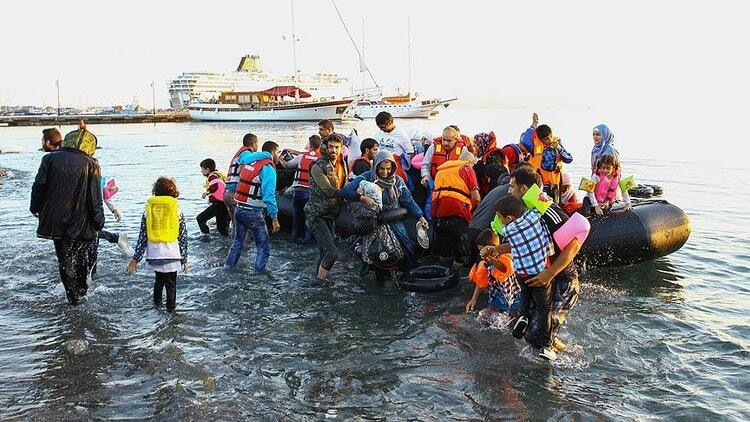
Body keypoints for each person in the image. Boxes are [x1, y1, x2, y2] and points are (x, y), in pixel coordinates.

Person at [505, 165, 582, 354]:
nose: (508, 191)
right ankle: (565, 355)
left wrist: (549, 273)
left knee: (542, 336)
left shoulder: (547, 210)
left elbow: (574, 244)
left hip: (562, 281)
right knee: (532, 331)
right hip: (544, 282)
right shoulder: (527, 213)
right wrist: (497, 249)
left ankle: (565, 369)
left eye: (511, 186)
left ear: (523, 189)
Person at [30, 127, 104, 305]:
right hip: (82, 221)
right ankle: (82, 291)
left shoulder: (48, 159)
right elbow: (95, 198)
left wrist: (35, 208)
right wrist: (99, 221)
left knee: (65, 259)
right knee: (81, 257)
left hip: (57, 219)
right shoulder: (92, 164)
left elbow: (38, 186)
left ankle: (73, 299)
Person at [342, 151, 428, 281]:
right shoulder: (366, 178)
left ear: (393, 168)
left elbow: (408, 201)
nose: (385, 172)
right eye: (381, 169)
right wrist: (362, 197)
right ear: (375, 166)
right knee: (376, 252)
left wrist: (420, 216)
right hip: (374, 222)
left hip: (394, 220)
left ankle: (407, 273)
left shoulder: (398, 182)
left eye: (388, 169)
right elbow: (346, 191)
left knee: (405, 247)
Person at [493, 194, 556, 360]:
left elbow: (499, 229)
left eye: (501, 217)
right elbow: (545, 202)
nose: (501, 221)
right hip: (540, 273)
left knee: (525, 298)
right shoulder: (534, 216)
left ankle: (523, 317)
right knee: (544, 308)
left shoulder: (508, 230)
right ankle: (546, 345)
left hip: (521, 274)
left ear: (509, 218)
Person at [127, 177, 188, 312]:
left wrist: (135, 259)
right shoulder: (177, 211)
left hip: (155, 254)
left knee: (159, 281)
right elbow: (183, 237)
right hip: (172, 254)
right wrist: (184, 258)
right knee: (171, 285)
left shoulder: (148, 211)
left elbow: (142, 238)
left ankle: (156, 308)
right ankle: (171, 313)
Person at [225, 141, 281, 271]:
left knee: (238, 242)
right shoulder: (268, 169)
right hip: (253, 213)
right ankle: (259, 275)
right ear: (272, 152)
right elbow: (269, 196)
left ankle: (228, 267)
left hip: (239, 209)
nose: (278, 155)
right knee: (263, 246)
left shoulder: (249, 162)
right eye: (278, 152)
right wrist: (274, 218)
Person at [305, 134, 347, 284]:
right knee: (332, 253)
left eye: (337, 147)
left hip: (331, 215)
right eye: (331, 147)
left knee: (323, 251)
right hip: (316, 215)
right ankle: (318, 284)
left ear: (341, 148)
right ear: (326, 147)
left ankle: (317, 278)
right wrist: (355, 196)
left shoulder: (342, 165)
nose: (334, 150)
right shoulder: (318, 166)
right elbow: (328, 190)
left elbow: (343, 185)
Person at [430, 149, 481, 266]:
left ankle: (444, 271)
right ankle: (461, 275)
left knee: (444, 247)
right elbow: (476, 197)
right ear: (469, 162)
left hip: (438, 212)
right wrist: (473, 209)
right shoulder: (466, 168)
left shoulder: (441, 171)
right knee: (461, 245)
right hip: (457, 211)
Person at [465, 229, 520, 319]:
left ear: (493, 247)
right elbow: (481, 281)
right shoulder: (485, 262)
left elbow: (504, 268)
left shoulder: (506, 257)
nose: (482, 256)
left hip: (513, 298)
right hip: (495, 298)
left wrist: (489, 258)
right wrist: (473, 299)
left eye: (483, 252)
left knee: (513, 320)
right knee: (486, 318)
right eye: (480, 252)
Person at [282, 135, 322, 243]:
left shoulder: (301, 157)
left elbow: (287, 165)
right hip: (311, 193)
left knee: (297, 217)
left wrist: (279, 158)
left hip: (298, 192)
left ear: (310, 145)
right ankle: (307, 239)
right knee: (309, 218)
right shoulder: (321, 159)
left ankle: (294, 237)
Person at [467, 169, 512, 264]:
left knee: (476, 267)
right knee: (485, 265)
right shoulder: (510, 191)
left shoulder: (495, 190)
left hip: (472, 228)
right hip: (484, 232)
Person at [225, 133, 258, 222]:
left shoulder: (239, 153)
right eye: (257, 143)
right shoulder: (246, 153)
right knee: (244, 227)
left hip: (227, 192)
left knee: (236, 226)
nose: (257, 146)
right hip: (235, 192)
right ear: (253, 144)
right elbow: (244, 172)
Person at [536, 126, 573, 203]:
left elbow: (569, 159)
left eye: (550, 137)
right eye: (546, 139)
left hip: (555, 183)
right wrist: (534, 124)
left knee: (555, 204)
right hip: (542, 183)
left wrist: (559, 148)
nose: (549, 140)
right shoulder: (536, 145)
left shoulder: (557, 144)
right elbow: (525, 139)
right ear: (540, 139)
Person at [196, 158, 230, 241]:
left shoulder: (212, 176)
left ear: (207, 169)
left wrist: (207, 192)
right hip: (224, 204)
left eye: (202, 169)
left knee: (200, 218)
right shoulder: (218, 174)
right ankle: (226, 244)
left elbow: (215, 184)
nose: (201, 171)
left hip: (219, 205)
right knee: (222, 229)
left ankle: (206, 238)